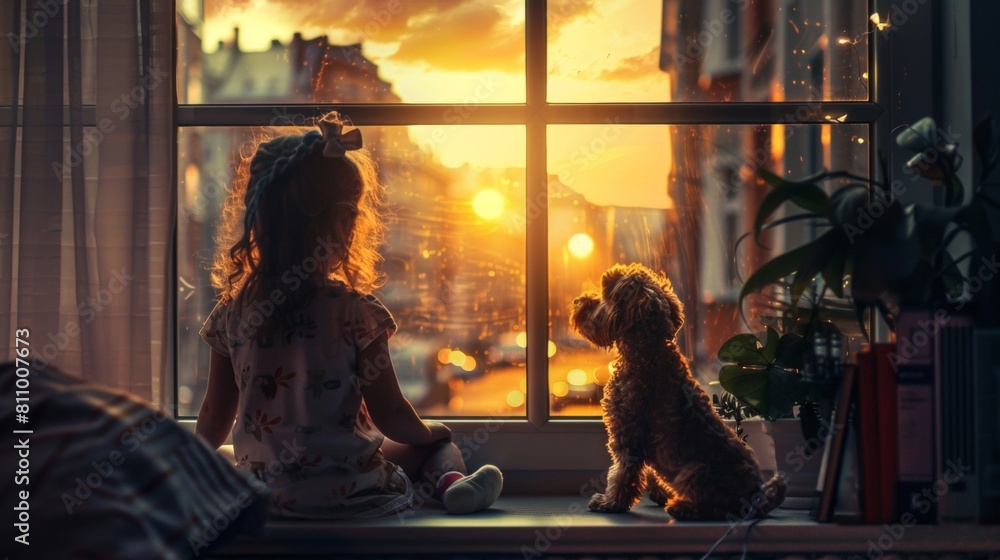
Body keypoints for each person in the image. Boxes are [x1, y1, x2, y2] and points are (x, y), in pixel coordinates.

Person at [195, 113, 502, 519]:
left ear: (258, 222)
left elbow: (216, 416)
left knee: (224, 456)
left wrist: (187, 471)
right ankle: (452, 486)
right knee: (439, 448)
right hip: (350, 490)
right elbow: (390, 414)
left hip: (270, 496)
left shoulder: (231, 314)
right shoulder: (357, 313)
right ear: (344, 225)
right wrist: (432, 433)